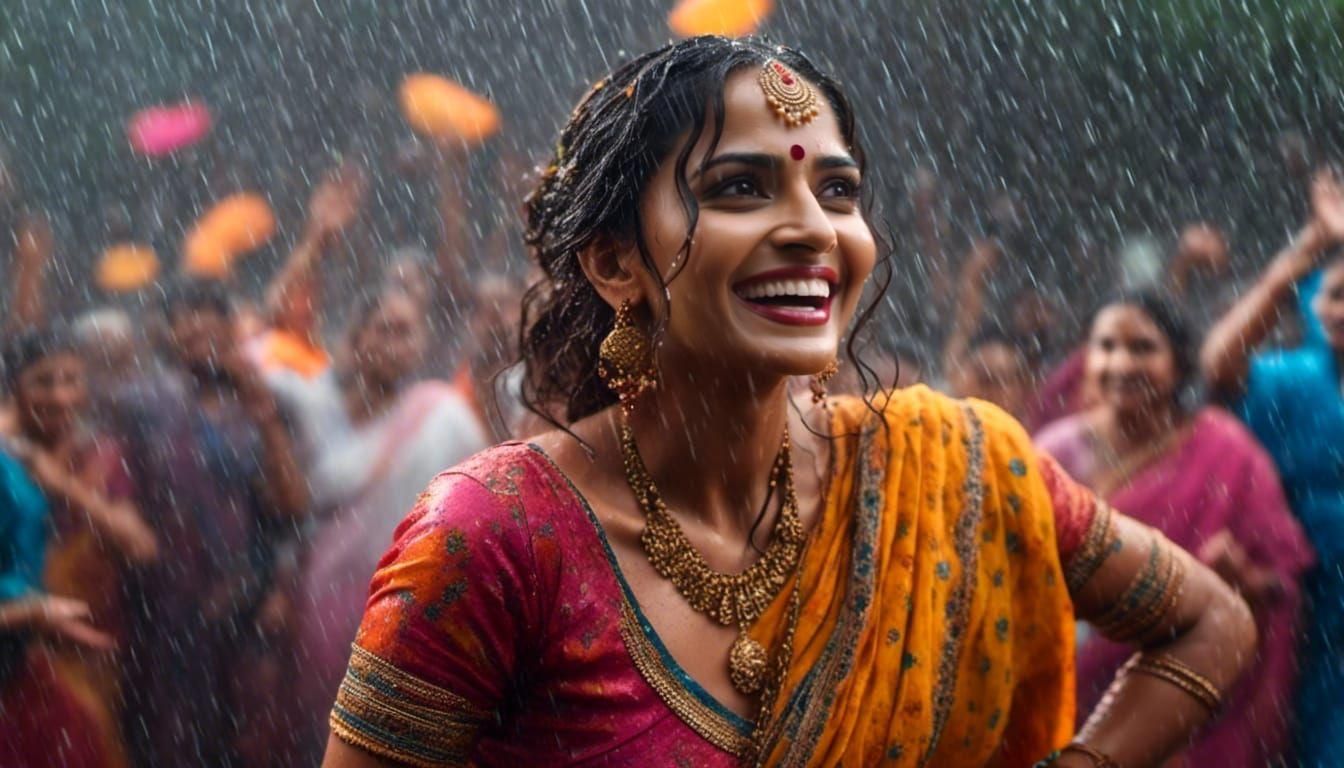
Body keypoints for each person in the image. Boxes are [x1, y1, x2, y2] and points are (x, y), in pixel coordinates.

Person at [322, 37, 1255, 767]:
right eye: (740, 187)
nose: (814, 229)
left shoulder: (950, 469)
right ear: (613, 262)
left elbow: (1212, 622)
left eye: (837, 190)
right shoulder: (492, 539)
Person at [1035, 291, 1312, 766]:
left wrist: (1240, 579)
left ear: (1179, 362)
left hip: (1189, 703)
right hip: (1066, 690)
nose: (1121, 363)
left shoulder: (1226, 450)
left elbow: (1281, 583)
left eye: (1142, 348)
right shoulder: (1054, 451)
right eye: (1105, 346)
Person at [266, 288, 487, 762]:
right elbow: (296, 509)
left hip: (409, 610)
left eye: (406, 332)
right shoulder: (317, 409)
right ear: (358, 339)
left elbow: (478, 513)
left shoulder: (443, 416)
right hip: (325, 602)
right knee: (319, 733)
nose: (395, 344)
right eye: (385, 330)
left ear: (422, 344)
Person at [110, 279, 307, 767]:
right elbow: (117, 489)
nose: (197, 335)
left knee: (237, 733)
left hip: (241, 604)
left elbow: (290, 506)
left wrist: (264, 417)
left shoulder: (267, 403)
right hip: (158, 602)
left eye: (208, 324)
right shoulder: (142, 405)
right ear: (170, 336)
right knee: (156, 731)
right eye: (186, 326)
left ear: (230, 331)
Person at [1201, 168, 1344, 768]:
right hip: (1305, 596)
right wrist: (1311, 247)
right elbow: (1218, 363)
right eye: (1335, 294)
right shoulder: (1293, 379)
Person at [1, 325, 157, 767]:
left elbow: (140, 546)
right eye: (43, 382)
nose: (60, 396)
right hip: (16, 661)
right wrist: (30, 616)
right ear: (15, 387)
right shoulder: (5, 459)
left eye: (71, 380)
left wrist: (65, 487)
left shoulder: (100, 456)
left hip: (88, 658)